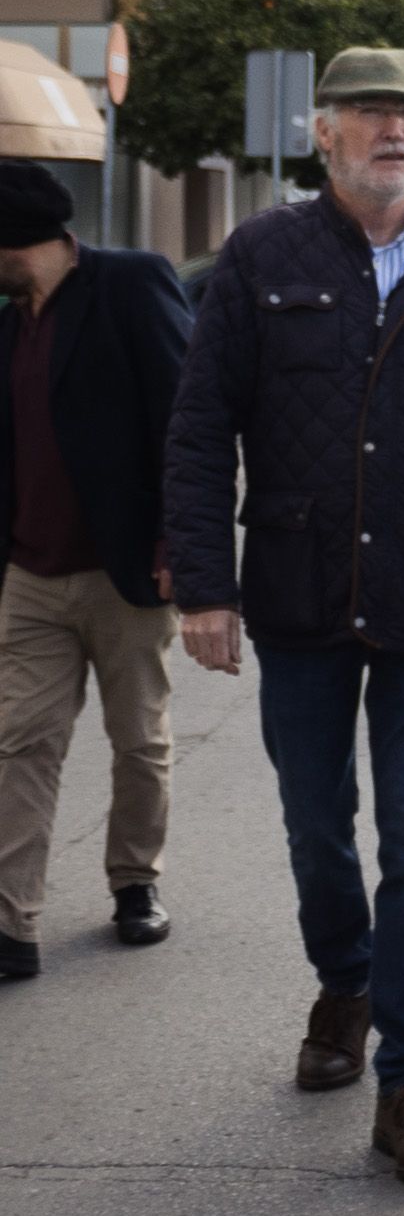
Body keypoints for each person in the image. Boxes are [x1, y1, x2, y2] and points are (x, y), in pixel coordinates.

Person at [166, 48, 404, 1184]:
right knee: (315, 824)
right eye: (372, 112)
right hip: (299, 591)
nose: (396, 130)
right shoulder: (260, 254)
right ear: (322, 131)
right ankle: (346, 978)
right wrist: (204, 584)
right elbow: (198, 427)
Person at [0, 164, 192, 980]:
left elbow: (188, 421)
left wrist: (181, 543)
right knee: (18, 743)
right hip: (30, 573)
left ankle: (134, 883)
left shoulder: (129, 284)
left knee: (138, 740)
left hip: (127, 567)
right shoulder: (9, 323)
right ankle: (11, 923)